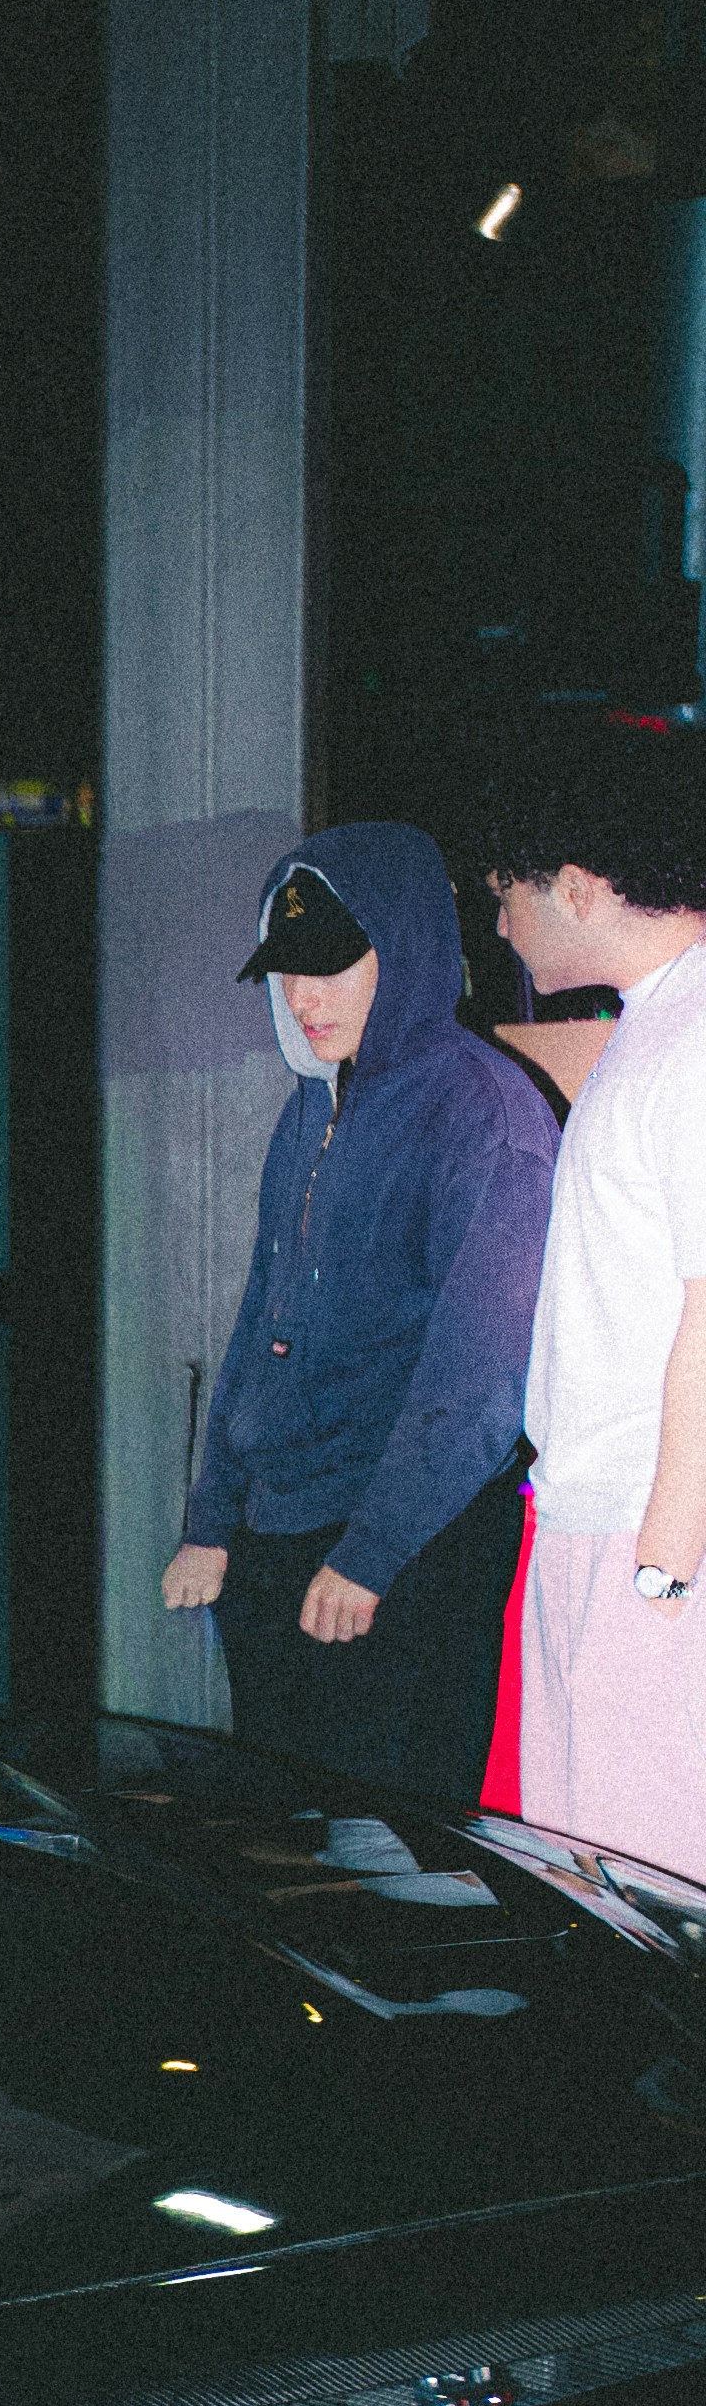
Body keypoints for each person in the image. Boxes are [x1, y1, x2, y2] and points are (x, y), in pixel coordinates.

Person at [161, 818, 555, 1804]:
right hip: (282, 1538)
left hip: (405, 1554)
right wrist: (213, 1517)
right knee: (289, 1847)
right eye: (288, 969)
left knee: (394, 1857)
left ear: (406, 949)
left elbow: (478, 1377)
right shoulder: (314, 1105)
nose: (302, 997)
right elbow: (262, 1318)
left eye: (333, 966)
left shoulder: (482, 1111)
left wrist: (372, 1554)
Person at [488, 727, 706, 1875]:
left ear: (576, 885)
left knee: (647, 1885)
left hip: (644, 1531)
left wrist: (666, 1564)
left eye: (508, 894)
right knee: (592, 1867)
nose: (504, 924)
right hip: (598, 1517)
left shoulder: (694, 1034)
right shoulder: (655, 1023)